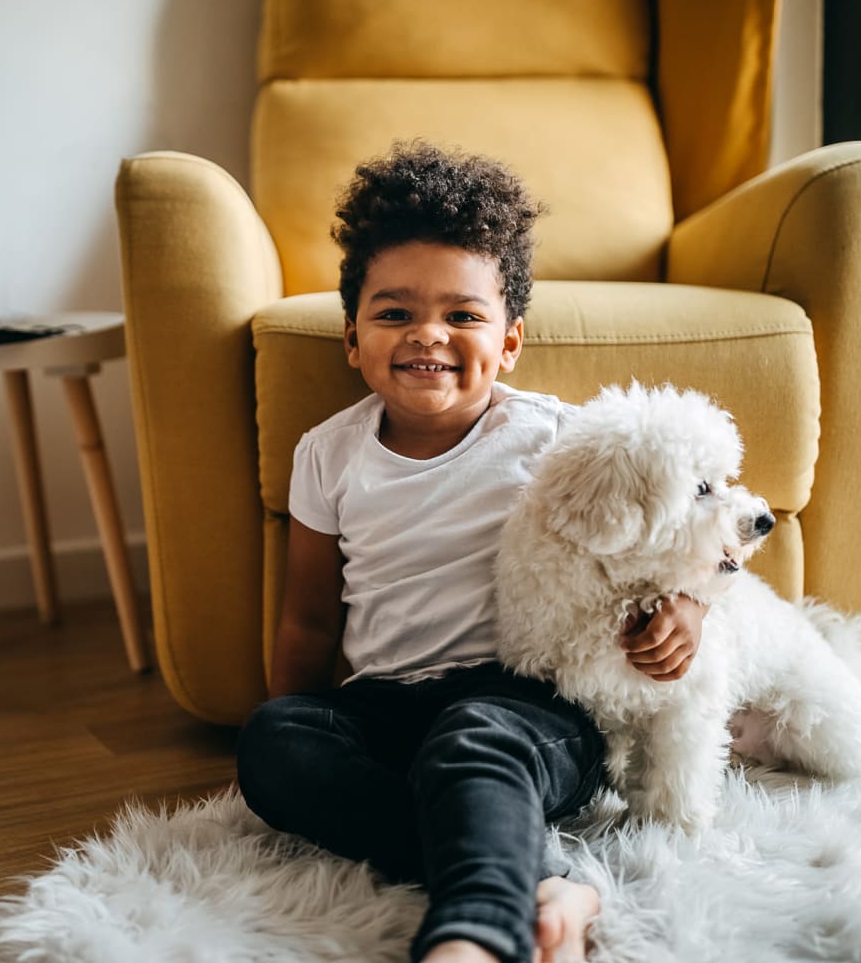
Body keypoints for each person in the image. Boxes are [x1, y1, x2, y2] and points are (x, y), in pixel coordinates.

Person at [236, 141, 707, 963]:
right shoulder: (327, 454)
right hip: (387, 705)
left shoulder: (557, 439)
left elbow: (688, 537)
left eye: (462, 315)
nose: (428, 335)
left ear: (510, 341)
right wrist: (304, 730)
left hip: (526, 709)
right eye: (394, 313)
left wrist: (689, 609)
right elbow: (309, 620)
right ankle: (546, 877)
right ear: (352, 337)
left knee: (472, 740)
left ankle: (476, 934)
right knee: (272, 743)